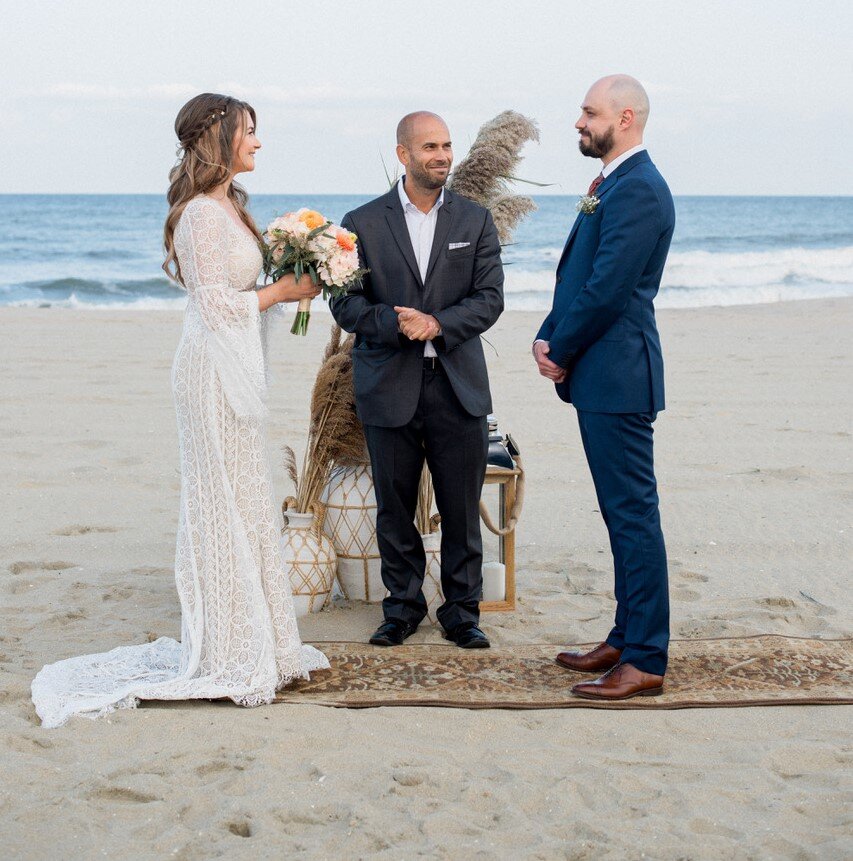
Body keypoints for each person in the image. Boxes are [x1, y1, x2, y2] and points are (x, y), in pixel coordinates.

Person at [32, 93, 328, 728]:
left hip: (236, 372)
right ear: (217, 139)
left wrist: (300, 266)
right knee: (219, 499)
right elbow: (216, 304)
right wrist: (284, 288)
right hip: (206, 375)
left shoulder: (234, 208)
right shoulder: (197, 214)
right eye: (249, 132)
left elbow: (244, 295)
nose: (257, 142)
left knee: (248, 494)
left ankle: (266, 643)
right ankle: (227, 648)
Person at [330, 111, 504, 649]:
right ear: (403, 153)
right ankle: (402, 608)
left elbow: (489, 298)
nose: (443, 156)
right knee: (394, 507)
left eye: (448, 145)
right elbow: (344, 300)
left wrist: (438, 325)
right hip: (390, 383)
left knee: (460, 509)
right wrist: (393, 323)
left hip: (458, 385)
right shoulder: (361, 222)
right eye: (430, 146)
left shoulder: (475, 220)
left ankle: (461, 612)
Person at [533, 75, 675, 700]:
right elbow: (580, 275)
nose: (578, 122)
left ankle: (645, 658)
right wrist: (547, 332)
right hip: (600, 373)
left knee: (633, 517)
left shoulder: (639, 189)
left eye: (588, 113)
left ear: (624, 117)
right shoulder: (613, 183)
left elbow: (611, 289)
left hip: (618, 375)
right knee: (621, 517)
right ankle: (626, 634)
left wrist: (561, 348)